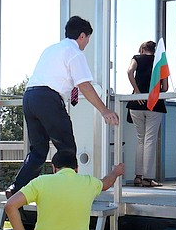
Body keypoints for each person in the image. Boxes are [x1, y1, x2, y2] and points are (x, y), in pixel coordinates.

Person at [6, 15, 120, 197]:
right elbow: (84, 85)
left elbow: (71, 86)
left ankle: (16, 189)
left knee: (38, 150)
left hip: (30, 97)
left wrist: (82, 94)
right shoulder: (74, 52)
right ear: (82, 36)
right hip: (48, 99)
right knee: (67, 148)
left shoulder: (51, 50)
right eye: (87, 39)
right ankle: (65, 192)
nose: (86, 44)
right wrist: (104, 110)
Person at [126, 40, 168, 187]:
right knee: (150, 140)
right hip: (154, 103)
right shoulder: (160, 61)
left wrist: (137, 92)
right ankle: (148, 178)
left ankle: (138, 176)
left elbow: (129, 72)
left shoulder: (137, 58)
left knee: (140, 140)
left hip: (136, 103)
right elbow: (165, 87)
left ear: (142, 50)